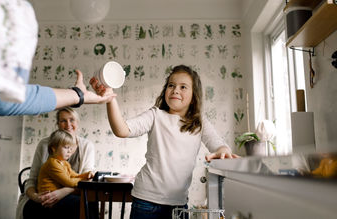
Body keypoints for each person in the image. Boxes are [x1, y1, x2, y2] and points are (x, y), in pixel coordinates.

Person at [90, 65, 239, 218]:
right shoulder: (155, 115)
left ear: (194, 95)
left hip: (179, 204)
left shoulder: (200, 123)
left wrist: (223, 151)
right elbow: (122, 130)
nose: (175, 90)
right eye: (171, 85)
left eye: (183, 87)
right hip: (146, 202)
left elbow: (218, 144)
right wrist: (110, 99)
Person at [17, 108, 96, 219]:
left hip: (74, 196)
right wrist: (36, 197)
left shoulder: (87, 146)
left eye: (72, 120)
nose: (68, 124)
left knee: (87, 205)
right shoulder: (44, 144)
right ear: (58, 124)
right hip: (44, 196)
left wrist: (61, 193)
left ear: (77, 123)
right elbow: (32, 181)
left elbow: (87, 182)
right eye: (63, 121)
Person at [36, 130, 94, 218]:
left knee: (90, 201)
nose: (69, 151)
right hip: (50, 199)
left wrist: (87, 175)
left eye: (71, 148)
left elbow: (75, 175)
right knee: (83, 203)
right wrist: (84, 180)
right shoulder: (52, 163)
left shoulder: (64, 163)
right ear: (54, 148)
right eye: (66, 147)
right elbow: (68, 182)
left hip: (60, 195)